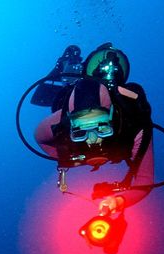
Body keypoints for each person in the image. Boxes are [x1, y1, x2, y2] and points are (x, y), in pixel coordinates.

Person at [34, 43, 154, 217]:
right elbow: (39, 137)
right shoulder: (60, 120)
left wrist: (118, 201)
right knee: (47, 95)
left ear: (112, 116)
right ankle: (65, 66)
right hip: (70, 99)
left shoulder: (135, 125)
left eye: (102, 127)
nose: (92, 139)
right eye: (80, 131)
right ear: (69, 123)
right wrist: (69, 158)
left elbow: (145, 180)